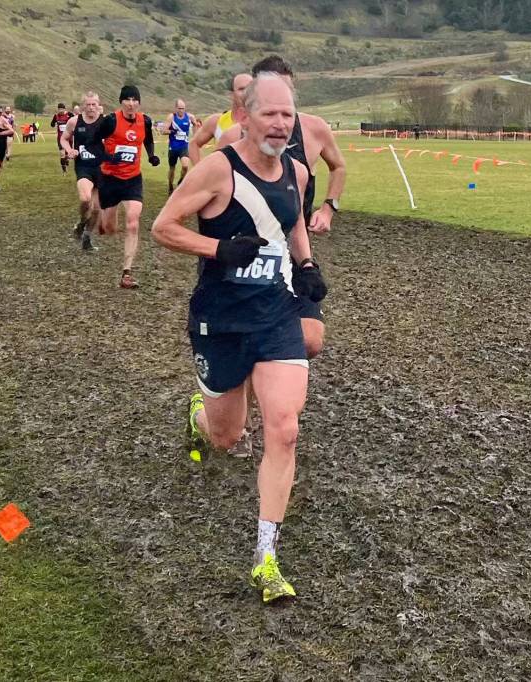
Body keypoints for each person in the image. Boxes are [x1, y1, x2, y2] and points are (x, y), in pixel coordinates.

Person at [151, 73, 326, 603]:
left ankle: (265, 556)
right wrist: (217, 250)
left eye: (287, 114)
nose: (280, 123)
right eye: (270, 113)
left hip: (276, 316)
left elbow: (293, 222)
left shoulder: (296, 170)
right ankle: (200, 418)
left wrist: (307, 264)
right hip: (221, 320)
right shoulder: (217, 169)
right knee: (227, 436)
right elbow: (164, 226)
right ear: (245, 116)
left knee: (285, 428)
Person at [217, 55, 346, 361]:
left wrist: (328, 208)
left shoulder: (314, 129)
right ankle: (221, 402)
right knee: (242, 345)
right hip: (245, 253)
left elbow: (338, 167)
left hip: (292, 247)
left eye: (285, 95)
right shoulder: (232, 140)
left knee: (311, 341)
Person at [90, 85, 160, 288]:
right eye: (127, 100)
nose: (131, 104)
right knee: (109, 228)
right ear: (121, 102)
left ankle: (126, 273)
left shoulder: (144, 121)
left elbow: (148, 139)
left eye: (134, 100)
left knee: (133, 222)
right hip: (110, 179)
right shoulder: (111, 121)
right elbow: (94, 143)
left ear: (139, 102)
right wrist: (109, 157)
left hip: (132, 179)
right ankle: (104, 217)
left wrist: (152, 156)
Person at [60, 91, 106, 250]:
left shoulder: (105, 122)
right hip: (84, 166)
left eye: (94, 104)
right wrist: (69, 150)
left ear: (99, 105)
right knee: (86, 199)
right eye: (88, 104)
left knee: (97, 209)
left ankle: (87, 237)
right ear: (83, 106)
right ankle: (81, 222)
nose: (91, 108)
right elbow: (64, 138)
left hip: (102, 169)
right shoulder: (74, 121)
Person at [188, 73, 252, 165]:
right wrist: (202, 173)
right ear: (232, 94)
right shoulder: (216, 121)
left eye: (250, 89)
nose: (246, 93)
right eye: (241, 89)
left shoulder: (261, 122)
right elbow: (193, 144)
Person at [163, 99, 198, 193]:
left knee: (185, 166)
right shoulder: (171, 117)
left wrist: (195, 136)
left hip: (184, 146)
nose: (181, 110)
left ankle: (180, 182)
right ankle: (170, 185)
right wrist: (172, 131)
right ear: (176, 108)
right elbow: (164, 131)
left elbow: (195, 125)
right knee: (172, 168)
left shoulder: (190, 117)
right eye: (179, 108)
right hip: (173, 147)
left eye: (183, 108)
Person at [49, 103, 75, 174]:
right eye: (59, 109)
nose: (60, 111)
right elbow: (52, 124)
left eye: (61, 109)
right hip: (60, 138)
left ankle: (67, 159)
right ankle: (64, 171)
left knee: (67, 154)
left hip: (69, 138)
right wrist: (53, 123)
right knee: (62, 154)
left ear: (64, 109)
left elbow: (76, 121)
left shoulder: (69, 114)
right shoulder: (56, 116)